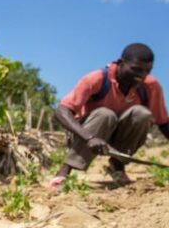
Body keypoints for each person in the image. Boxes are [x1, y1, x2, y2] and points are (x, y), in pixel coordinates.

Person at [50, 43, 169, 189]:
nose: (142, 76)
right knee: (106, 115)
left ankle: (117, 166)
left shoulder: (150, 85)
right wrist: (89, 138)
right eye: (136, 69)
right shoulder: (97, 79)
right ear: (121, 63)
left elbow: (163, 123)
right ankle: (64, 172)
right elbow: (61, 111)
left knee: (142, 114)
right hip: (85, 135)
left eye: (147, 71)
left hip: (116, 139)